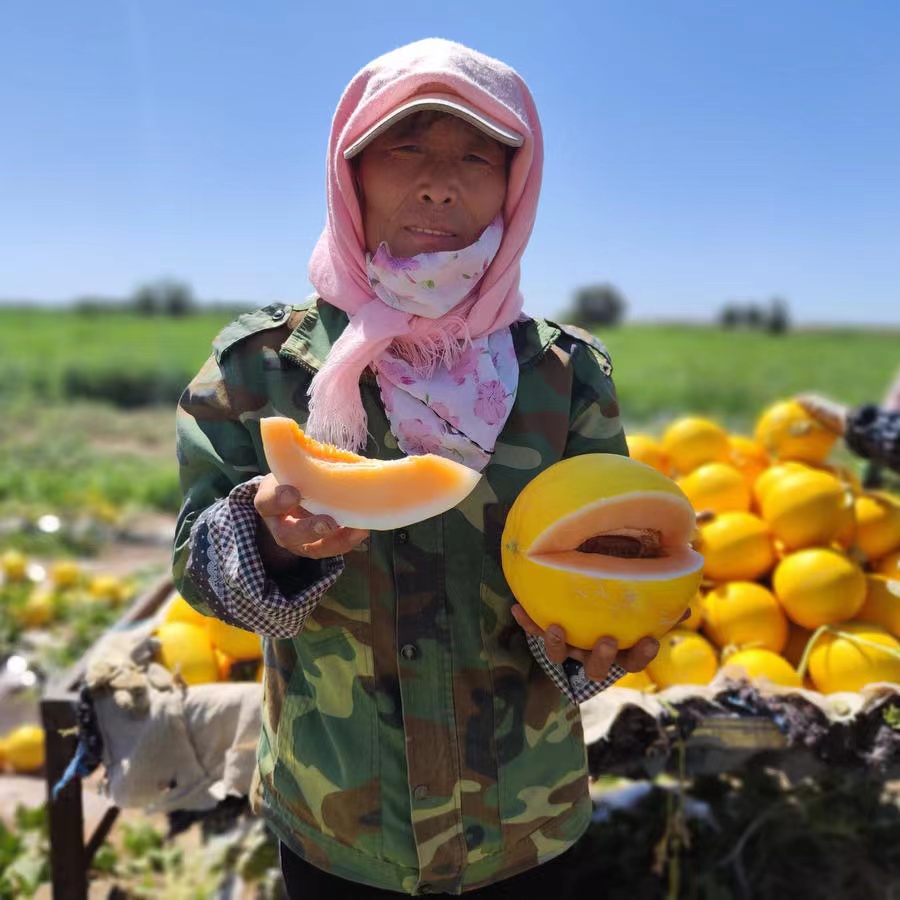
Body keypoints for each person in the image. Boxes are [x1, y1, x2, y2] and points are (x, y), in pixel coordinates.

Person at [173, 38, 666, 897]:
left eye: (476, 156)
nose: (440, 182)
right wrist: (269, 544)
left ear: (514, 187)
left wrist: (600, 632)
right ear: (350, 171)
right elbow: (195, 565)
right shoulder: (261, 364)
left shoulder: (564, 375)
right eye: (407, 147)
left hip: (527, 822)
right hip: (336, 824)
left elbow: (599, 552)